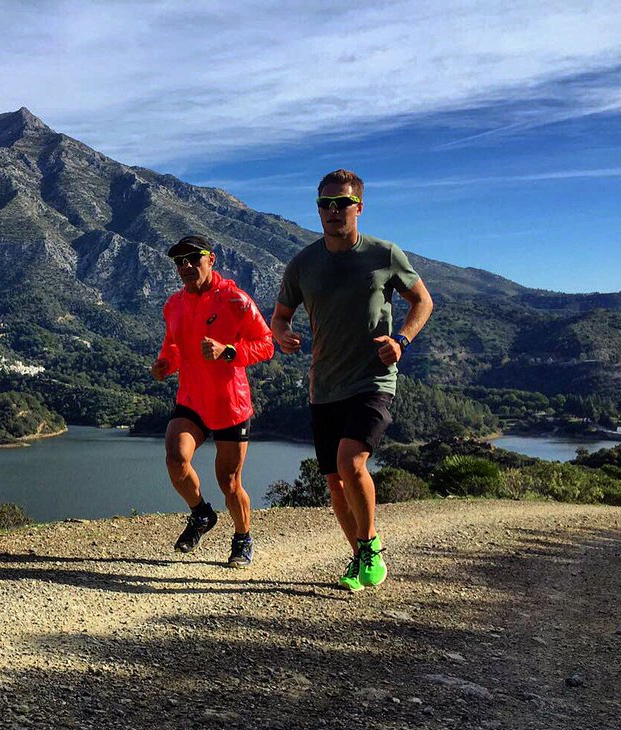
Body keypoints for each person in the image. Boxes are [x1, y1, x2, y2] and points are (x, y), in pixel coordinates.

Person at [271, 169, 434, 591]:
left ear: (358, 207)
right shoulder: (303, 263)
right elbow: (280, 315)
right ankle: (360, 557)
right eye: (325, 204)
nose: (333, 211)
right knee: (334, 482)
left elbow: (423, 301)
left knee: (350, 463)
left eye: (341, 203)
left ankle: (371, 548)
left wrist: (402, 340)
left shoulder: (384, 254)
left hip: (373, 381)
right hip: (323, 387)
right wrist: (282, 334)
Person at [152, 235, 275, 567]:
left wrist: (229, 352)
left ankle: (243, 538)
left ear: (212, 259)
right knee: (176, 460)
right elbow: (174, 346)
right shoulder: (173, 305)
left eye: (194, 258)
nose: (186, 266)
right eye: (180, 261)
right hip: (191, 399)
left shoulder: (234, 299)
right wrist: (166, 363)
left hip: (229, 404)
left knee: (229, 482)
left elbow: (266, 344)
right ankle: (201, 514)